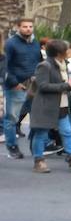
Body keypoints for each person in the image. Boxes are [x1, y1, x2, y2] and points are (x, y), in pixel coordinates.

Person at [28, 39, 71, 172]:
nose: (68, 52)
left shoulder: (64, 64)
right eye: (66, 50)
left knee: (67, 132)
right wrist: (66, 86)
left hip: (62, 104)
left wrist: (69, 86)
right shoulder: (45, 66)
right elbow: (43, 86)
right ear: (58, 53)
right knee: (41, 133)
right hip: (45, 105)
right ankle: (38, 161)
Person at [4, 18, 41, 159]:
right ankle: (12, 147)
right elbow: (4, 66)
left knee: (37, 117)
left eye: (30, 26)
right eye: (25, 26)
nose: (28, 29)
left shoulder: (35, 43)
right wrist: (14, 83)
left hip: (34, 85)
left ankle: (37, 146)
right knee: (12, 118)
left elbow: (39, 61)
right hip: (16, 85)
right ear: (18, 27)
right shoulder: (11, 43)